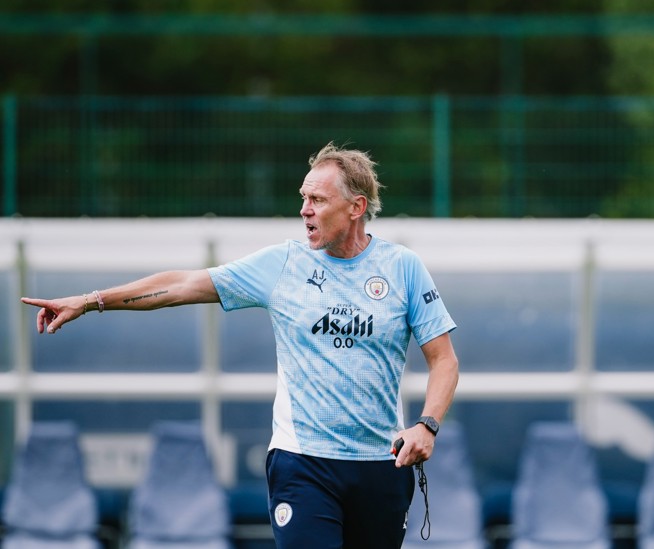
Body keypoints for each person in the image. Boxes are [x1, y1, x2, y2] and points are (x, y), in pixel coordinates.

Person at [21, 142, 460, 549]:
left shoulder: (402, 268)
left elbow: (444, 361)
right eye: (303, 198)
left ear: (356, 208)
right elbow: (181, 285)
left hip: (380, 464)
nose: (304, 210)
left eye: (318, 201)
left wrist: (427, 425)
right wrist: (92, 300)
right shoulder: (283, 264)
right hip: (302, 463)